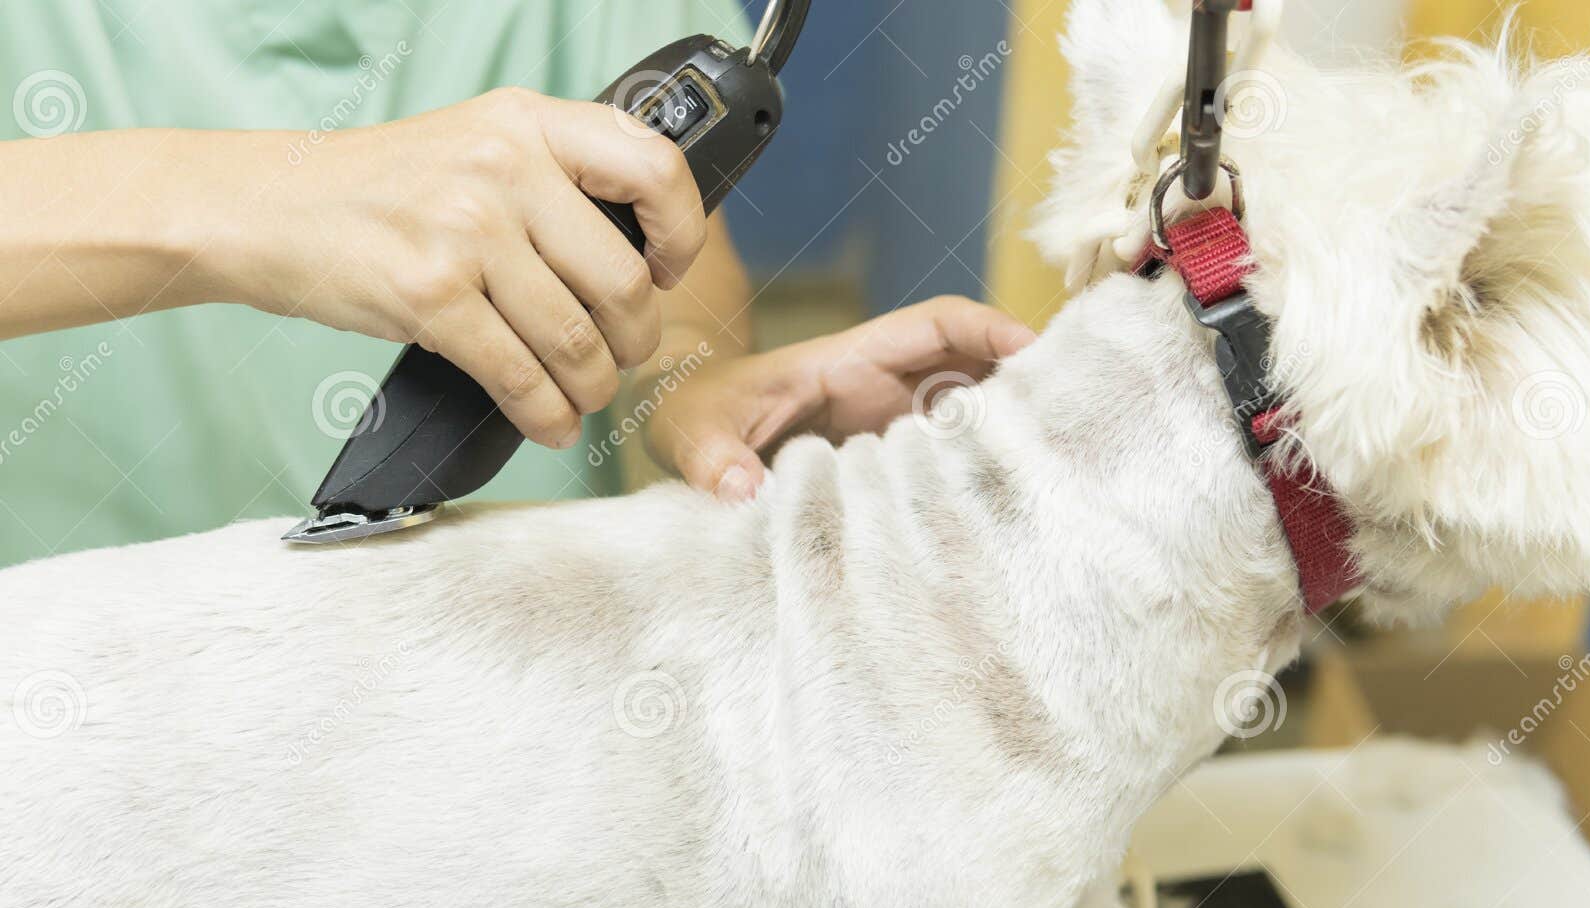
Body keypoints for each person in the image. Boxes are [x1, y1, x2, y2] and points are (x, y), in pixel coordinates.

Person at [0, 1, 1033, 568]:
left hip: (483, 733)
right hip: (75, 717)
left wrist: (688, 400)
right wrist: (257, 202)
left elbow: (666, 269)